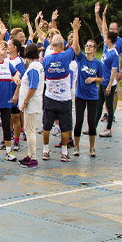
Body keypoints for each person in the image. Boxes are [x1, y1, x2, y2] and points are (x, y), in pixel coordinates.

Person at [41, 18, 80, 163]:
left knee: (47, 126)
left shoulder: (46, 60)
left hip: (49, 97)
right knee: (65, 127)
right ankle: (64, 153)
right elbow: (75, 46)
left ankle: (45, 151)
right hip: (64, 99)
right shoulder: (66, 56)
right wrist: (75, 30)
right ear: (62, 45)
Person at [72, 29, 103, 158]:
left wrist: (94, 79)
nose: (88, 48)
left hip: (92, 96)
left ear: (95, 50)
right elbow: (75, 46)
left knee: (91, 122)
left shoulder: (98, 63)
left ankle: (91, 148)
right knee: (78, 121)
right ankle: (76, 146)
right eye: (87, 46)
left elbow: (101, 78)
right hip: (80, 95)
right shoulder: (81, 59)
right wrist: (76, 30)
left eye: (90, 46)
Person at [17, 44, 43, 167]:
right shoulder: (37, 66)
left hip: (32, 103)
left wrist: (25, 101)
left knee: (30, 130)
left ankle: (33, 157)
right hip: (34, 101)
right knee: (29, 129)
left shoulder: (33, 67)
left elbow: (33, 86)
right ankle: (30, 154)